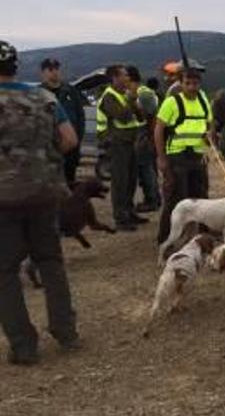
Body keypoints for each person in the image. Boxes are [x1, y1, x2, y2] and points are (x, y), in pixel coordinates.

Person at [0, 40, 81, 365]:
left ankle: (23, 345)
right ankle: (65, 331)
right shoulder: (44, 97)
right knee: (50, 261)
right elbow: (71, 140)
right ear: (17, 66)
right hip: (45, 193)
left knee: (5, 271)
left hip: (4, 198)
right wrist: (44, 162)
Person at [155, 68, 214, 245]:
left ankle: (204, 235)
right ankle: (166, 238)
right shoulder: (171, 102)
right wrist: (162, 158)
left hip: (198, 155)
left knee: (201, 196)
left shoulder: (203, 100)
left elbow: (209, 123)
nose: (191, 87)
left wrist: (210, 134)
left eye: (195, 83)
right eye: (187, 83)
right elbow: (158, 130)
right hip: (176, 156)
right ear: (180, 83)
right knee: (176, 198)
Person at [96, 64, 145, 232]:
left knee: (131, 180)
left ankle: (129, 212)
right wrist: (131, 100)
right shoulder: (109, 96)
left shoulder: (125, 95)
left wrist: (136, 105)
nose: (128, 78)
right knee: (120, 182)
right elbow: (123, 117)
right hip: (116, 144)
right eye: (124, 76)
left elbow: (139, 116)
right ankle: (120, 218)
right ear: (114, 78)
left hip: (130, 143)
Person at [39, 58, 86, 186]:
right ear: (43, 72)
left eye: (57, 69)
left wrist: (77, 141)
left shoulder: (71, 91)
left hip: (70, 149)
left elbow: (80, 118)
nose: (54, 72)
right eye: (50, 69)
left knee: (69, 185)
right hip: (47, 149)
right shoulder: (37, 93)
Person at [129, 66, 162, 213]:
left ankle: (152, 199)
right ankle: (154, 198)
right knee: (148, 168)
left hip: (145, 136)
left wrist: (150, 138)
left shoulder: (144, 94)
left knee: (146, 169)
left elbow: (152, 118)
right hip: (144, 135)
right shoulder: (141, 93)